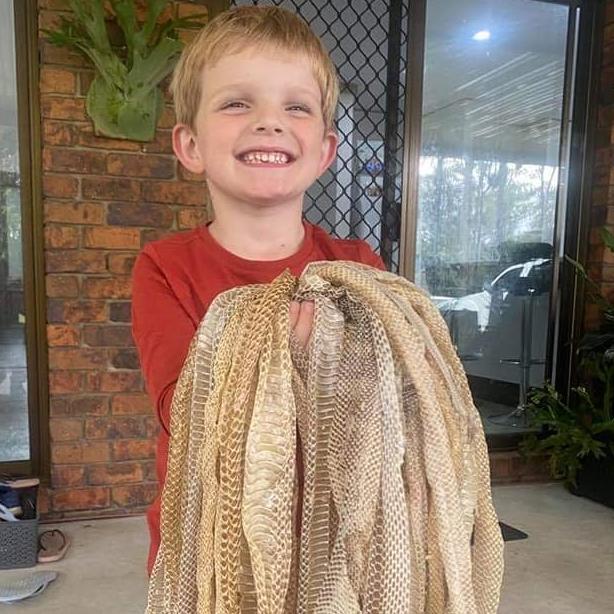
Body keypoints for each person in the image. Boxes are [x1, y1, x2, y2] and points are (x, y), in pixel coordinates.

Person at [131, 5, 386, 576]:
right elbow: (185, 411)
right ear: (190, 144)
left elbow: (388, 402)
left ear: (324, 150)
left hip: (334, 545)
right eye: (237, 102)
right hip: (208, 548)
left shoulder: (359, 266)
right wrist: (285, 353)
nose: (270, 122)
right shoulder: (164, 268)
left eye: (296, 106)